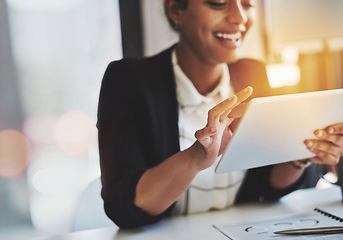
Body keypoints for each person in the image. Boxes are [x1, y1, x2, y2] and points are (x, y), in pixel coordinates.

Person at [97, 0, 343, 228]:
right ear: (176, 10)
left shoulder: (253, 72)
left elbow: (266, 186)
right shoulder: (127, 79)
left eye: (247, 3)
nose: (239, 18)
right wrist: (196, 156)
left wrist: (299, 155)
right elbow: (124, 206)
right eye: (218, 3)